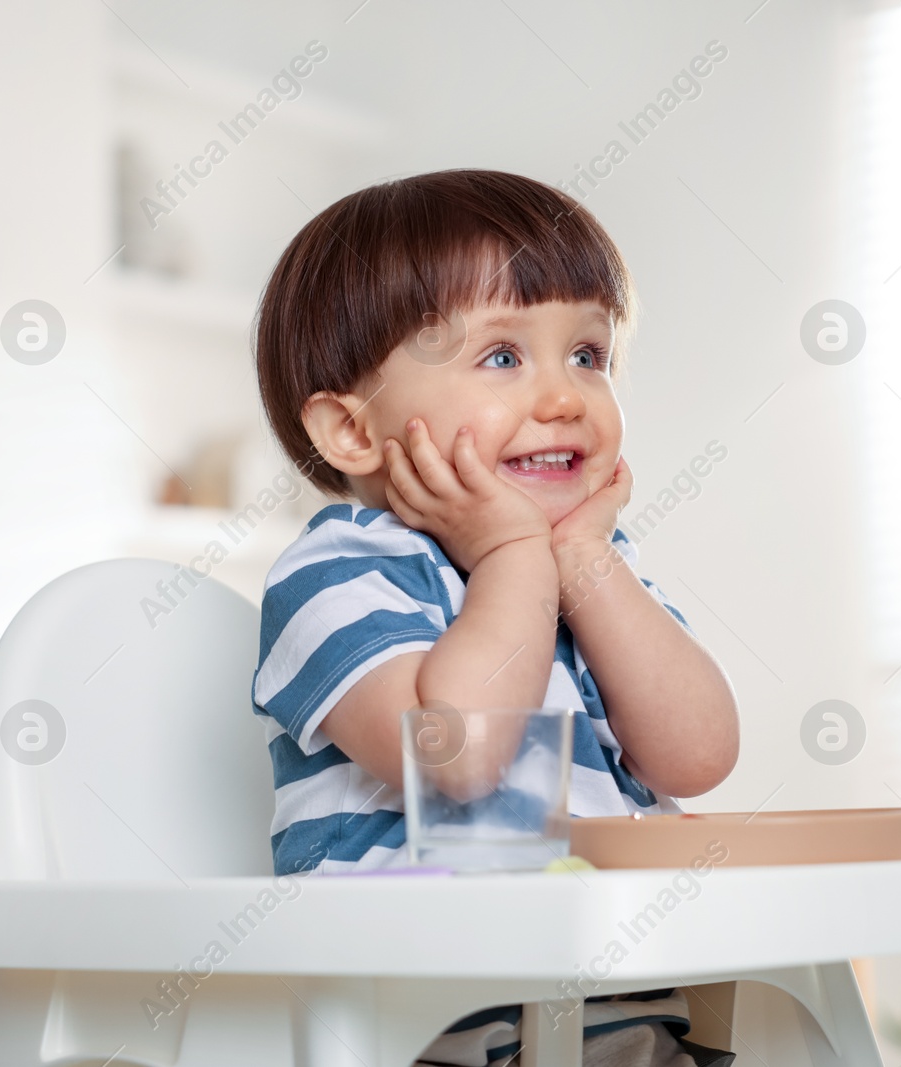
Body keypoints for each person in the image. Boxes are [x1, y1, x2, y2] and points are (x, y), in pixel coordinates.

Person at [250, 168, 741, 1067]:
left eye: (589, 355)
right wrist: (517, 557)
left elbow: (698, 755)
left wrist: (585, 561)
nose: (564, 398)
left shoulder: (589, 574)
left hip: (624, 1025)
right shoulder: (336, 576)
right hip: (425, 1036)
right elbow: (460, 755)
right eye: (504, 357)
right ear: (354, 432)